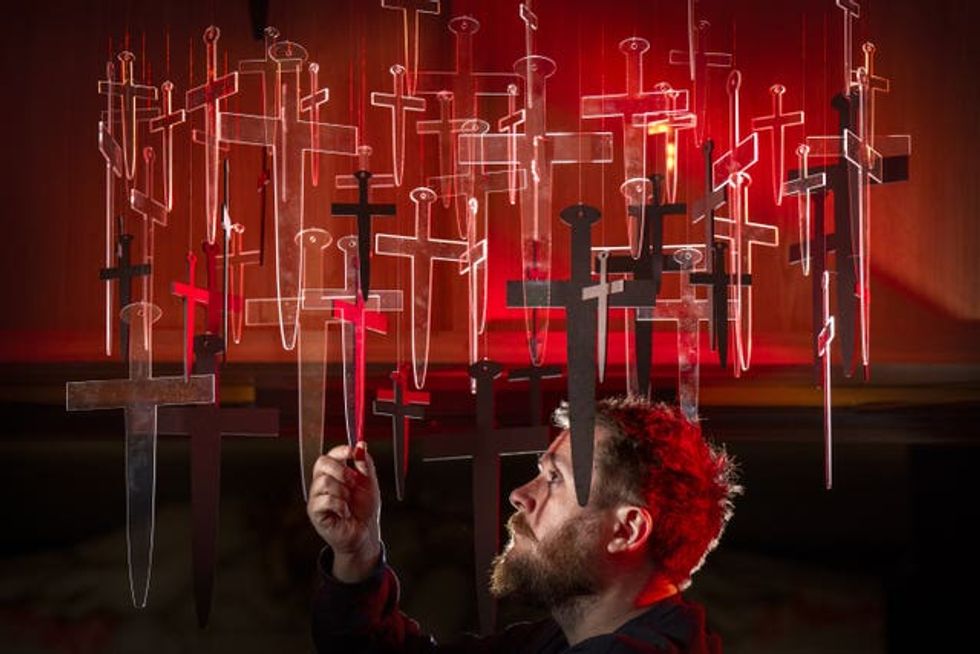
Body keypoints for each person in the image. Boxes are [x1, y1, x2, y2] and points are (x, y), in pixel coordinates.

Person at [307, 395, 740, 653]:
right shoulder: (554, 641)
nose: (520, 494)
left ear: (627, 531)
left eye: (555, 478)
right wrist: (357, 552)